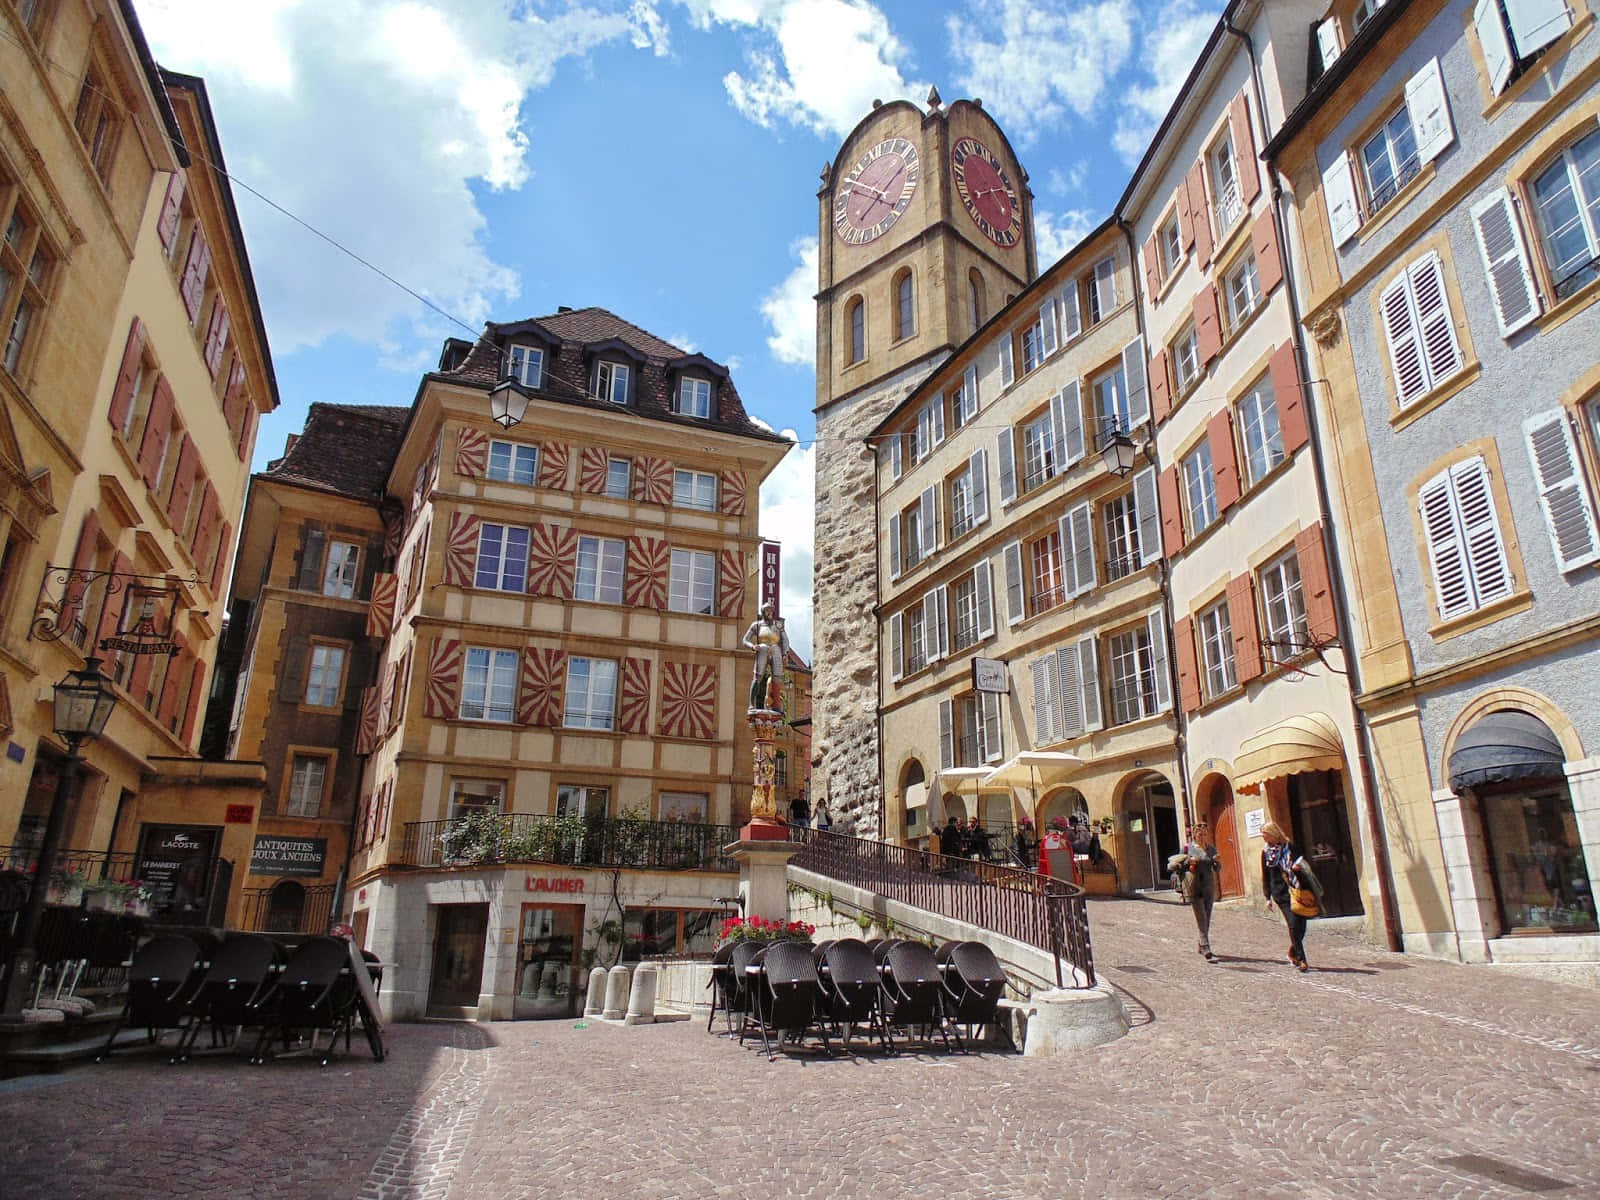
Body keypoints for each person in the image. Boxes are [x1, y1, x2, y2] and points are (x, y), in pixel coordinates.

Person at [1261, 820, 1322, 972]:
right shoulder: (1266, 852)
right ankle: (1302, 960)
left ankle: (1293, 951)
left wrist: (1297, 868)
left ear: (1273, 834)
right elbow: (1265, 875)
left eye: (1265, 834)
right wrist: (1268, 897)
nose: (1263, 837)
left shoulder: (1291, 847)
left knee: (1301, 925)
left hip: (1298, 890)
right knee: (1293, 923)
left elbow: (1303, 863)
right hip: (1280, 893)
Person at [1180, 820, 1222, 961]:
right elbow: (1179, 866)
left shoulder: (1211, 849)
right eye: (1199, 833)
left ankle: (1201, 943)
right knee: (1201, 917)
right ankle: (1206, 947)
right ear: (1194, 834)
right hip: (1194, 885)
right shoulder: (1188, 848)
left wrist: (1216, 861)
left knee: (1207, 916)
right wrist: (1189, 862)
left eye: (1204, 834)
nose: (1202, 836)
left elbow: (1217, 869)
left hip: (1209, 886)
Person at [741, 603, 791, 710]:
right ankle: (752, 704)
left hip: (776, 650)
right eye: (767, 610)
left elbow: (785, 640)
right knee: (757, 676)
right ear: (763, 612)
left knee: (777, 677)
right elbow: (745, 640)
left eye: (771, 610)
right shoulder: (757, 625)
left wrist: (785, 654)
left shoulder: (778, 625)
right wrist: (753, 646)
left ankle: (777, 705)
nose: (770, 613)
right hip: (762, 649)